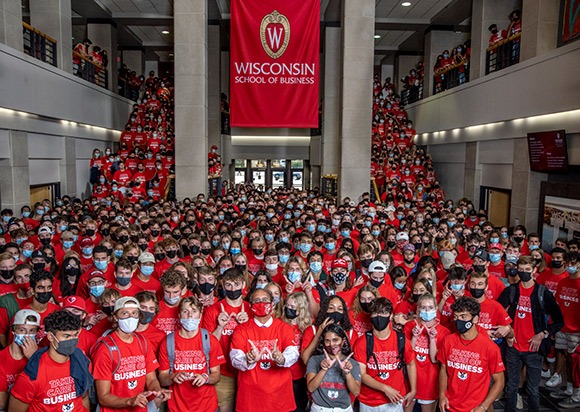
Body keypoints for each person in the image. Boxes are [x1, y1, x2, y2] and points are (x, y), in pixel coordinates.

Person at [497, 256, 564, 412]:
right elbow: (497, 311)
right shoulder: (511, 291)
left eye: (528, 269)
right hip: (513, 347)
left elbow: (559, 320)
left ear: (534, 271)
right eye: (521, 269)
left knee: (533, 390)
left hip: (534, 349)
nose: (524, 272)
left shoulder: (542, 293)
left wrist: (543, 334)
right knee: (512, 387)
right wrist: (507, 330)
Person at [92, 296, 171, 411]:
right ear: (115, 317)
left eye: (134, 313)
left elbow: (151, 379)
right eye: (125, 313)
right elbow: (103, 397)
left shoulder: (143, 342)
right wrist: (129, 401)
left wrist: (157, 391)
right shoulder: (105, 349)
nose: (131, 317)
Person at [230, 288, 299, 412]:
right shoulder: (241, 330)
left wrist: (282, 358)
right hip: (251, 398)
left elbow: (293, 352)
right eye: (257, 300)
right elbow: (235, 357)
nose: (261, 303)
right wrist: (248, 359)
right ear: (250, 306)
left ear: (272, 305)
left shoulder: (285, 328)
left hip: (279, 399)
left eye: (265, 300)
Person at [9, 310, 94, 411]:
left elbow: (83, 397)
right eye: (66, 336)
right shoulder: (32, 375)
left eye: (75, 335)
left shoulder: (80, 361)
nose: (72, 340)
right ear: (50, 337)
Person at [437, 297, 505, 412]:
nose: (458, 321)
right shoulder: (448, 341)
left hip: (474, 408)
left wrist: (483, 407)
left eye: (463, 317)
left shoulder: (490, 347)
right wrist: (442, 395)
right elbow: (443, 369)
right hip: (450, 406)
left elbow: (499, 381)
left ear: (475, 319)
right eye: (456, 317)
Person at [158, 296, 225, 412]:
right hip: (177, 407)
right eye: (185, 311)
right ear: (179, 315)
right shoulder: (168, 342)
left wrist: (206, 377)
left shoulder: (209, 340)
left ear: (200, 314)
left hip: (206, 406)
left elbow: (216, 375)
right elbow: (162, 379)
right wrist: (173, 377)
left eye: (194, 311)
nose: (190, 316)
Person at [353, 297, 417, 412]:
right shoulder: (363, 342)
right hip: (369, 401)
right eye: (375, 313)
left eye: (383, 313)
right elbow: (362, 375)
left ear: (391, 316)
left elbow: (411, 364)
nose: (379, 317)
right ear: (370, 316)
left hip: (395, 399)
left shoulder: (401, 339)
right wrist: (384, 388)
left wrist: (413, 390)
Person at [403, 293, 449, 411]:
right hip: (410, 380)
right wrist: (415, 337)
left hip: (429, 382)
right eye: (423, 308)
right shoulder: (409, 326)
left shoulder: (444, 332)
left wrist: (432, 339)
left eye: (430, 308)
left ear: (435, 309)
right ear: (418, 309)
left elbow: (434, 359)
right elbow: (407, 357)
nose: (427, 311)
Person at [306, 323, 362, 412]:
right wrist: (323, 369)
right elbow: (311, 388)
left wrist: (347, 372)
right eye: (327, 341)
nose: (331, 344)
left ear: (343, 341)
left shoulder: (352, 363)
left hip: (343, 409)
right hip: (320, 409)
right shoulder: (315, 360)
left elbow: (356, 392)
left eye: (335, 340)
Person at [553, 251, 580, 408]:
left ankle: (577, 396)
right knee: (567, 360)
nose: (570, 266)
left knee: (576, 363)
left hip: (577, 331)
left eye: (574, 263)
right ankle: (569, 389)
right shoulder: (563, 282)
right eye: (568, 263)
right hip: (563, 327)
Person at [0, 309, 40, 410]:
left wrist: (33, 359)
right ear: (13, 331)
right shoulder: (1, 358)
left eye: (32, 331)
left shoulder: (41, 355)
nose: (27, 335)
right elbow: (1, 403)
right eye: (22, 330)